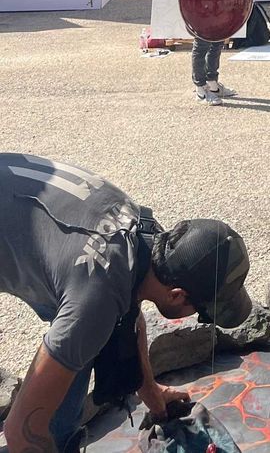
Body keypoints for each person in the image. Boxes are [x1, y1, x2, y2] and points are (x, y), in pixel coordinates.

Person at [0, 154, 251, 453]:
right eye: (200, 312)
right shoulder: (95, 299)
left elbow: (129, 315)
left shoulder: (146, 236)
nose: (195, 316)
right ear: (177, 295)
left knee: (84, 344)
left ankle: (62, 436)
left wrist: (153, 394)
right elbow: (22, 432)